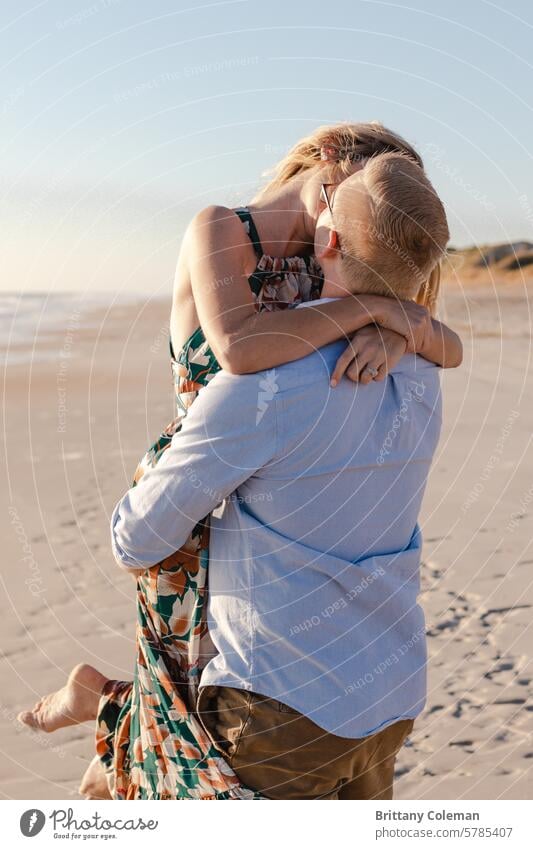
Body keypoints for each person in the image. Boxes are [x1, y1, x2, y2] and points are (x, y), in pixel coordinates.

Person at [18, 125, 461, 800]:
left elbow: (415, 320)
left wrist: (386, 323)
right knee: (185, 689)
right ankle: (112, 733)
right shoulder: (225, 228)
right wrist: (372, 309)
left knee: (197, 699)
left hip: (254, 473)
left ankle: (105, 728)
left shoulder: (335, 255)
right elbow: (240, 349)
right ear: (330, 153)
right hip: (200, 474)